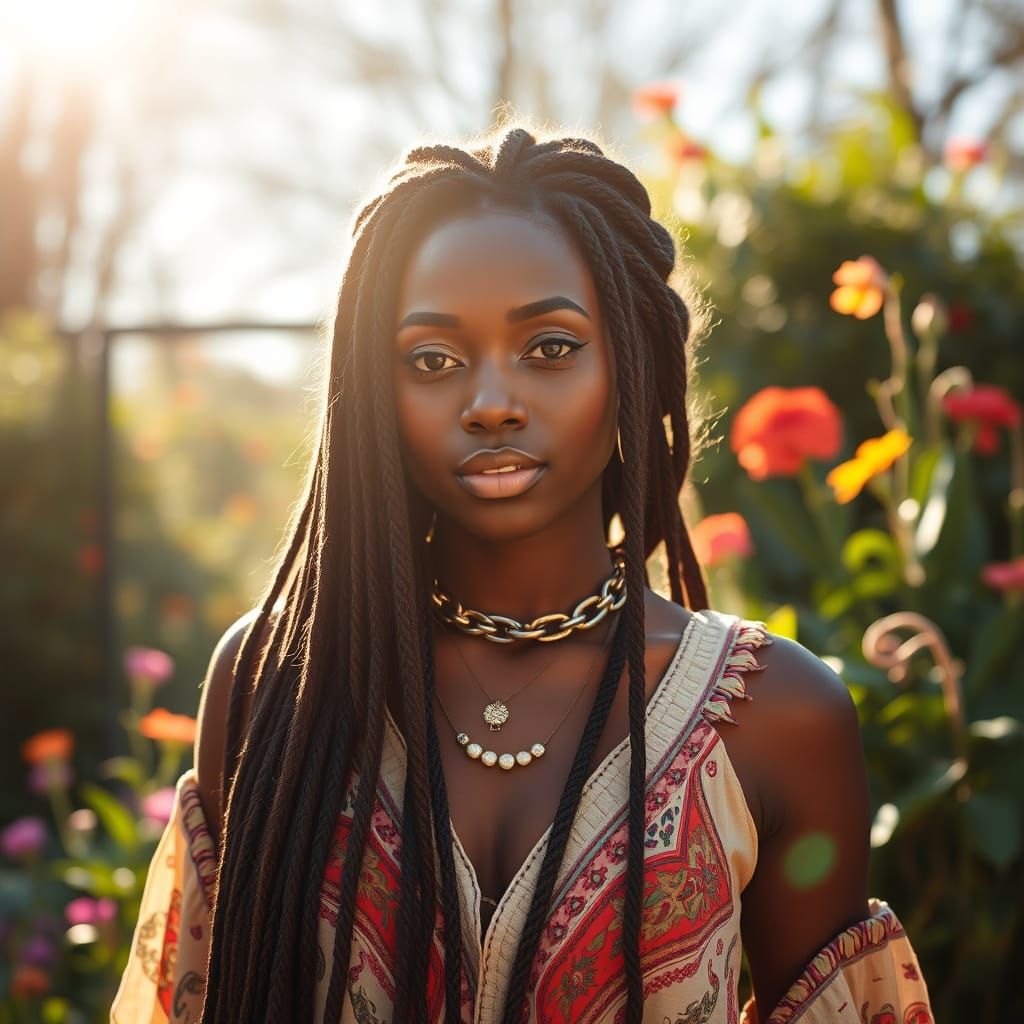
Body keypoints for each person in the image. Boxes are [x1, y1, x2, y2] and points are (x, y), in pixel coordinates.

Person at [110, 122, 934, 1024]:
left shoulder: (779, 717)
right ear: (372, 392)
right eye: (432, 360)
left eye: (550, 347)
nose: (492, 402)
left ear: (633, 363)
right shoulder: (279, 684)